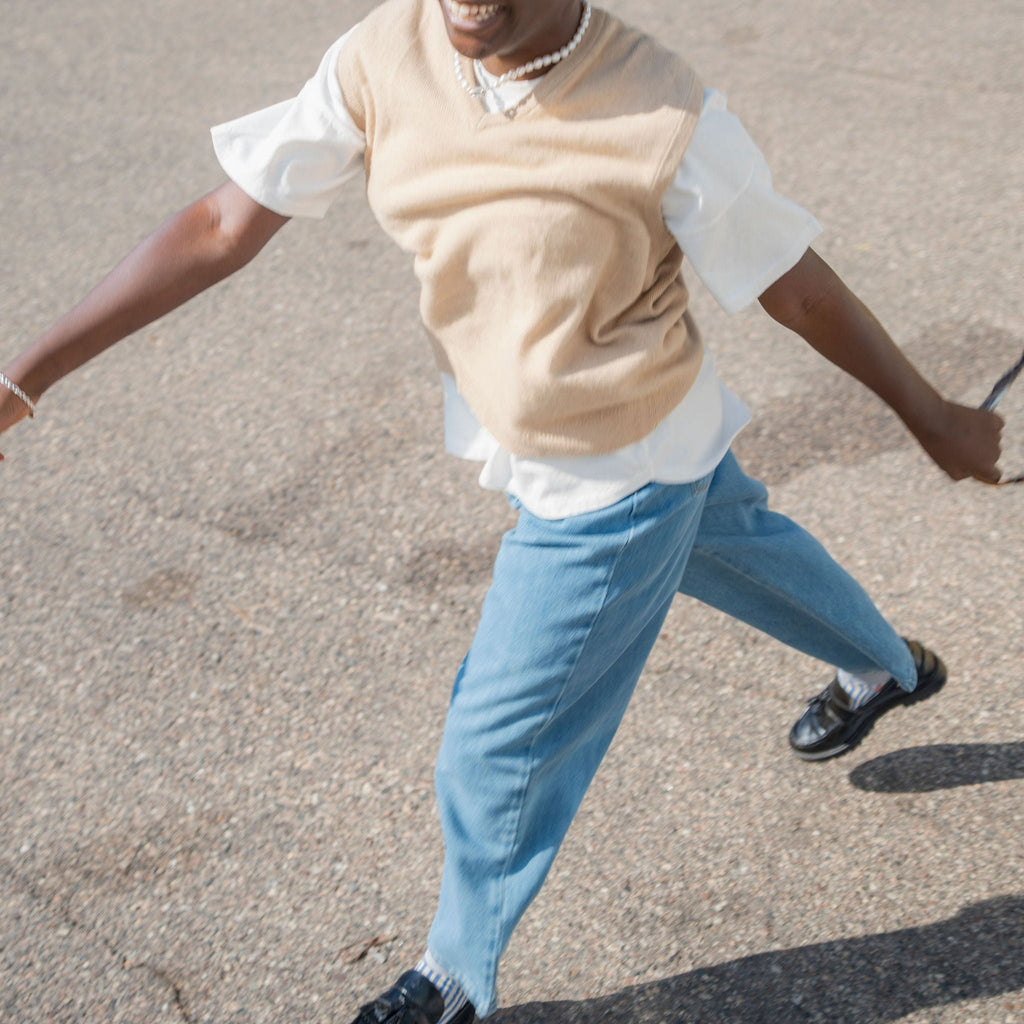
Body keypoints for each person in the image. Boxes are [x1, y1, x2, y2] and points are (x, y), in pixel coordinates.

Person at [0, 0, 1005, 1021]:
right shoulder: (382, 55)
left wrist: (930, 416)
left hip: (613, 473)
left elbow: (795, 286)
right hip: (632, 429)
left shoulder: (663, 110)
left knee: (498, 738)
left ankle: (452, 977)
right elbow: (223, 224)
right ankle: (884, 664)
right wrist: (24, 378)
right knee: (740, 546)